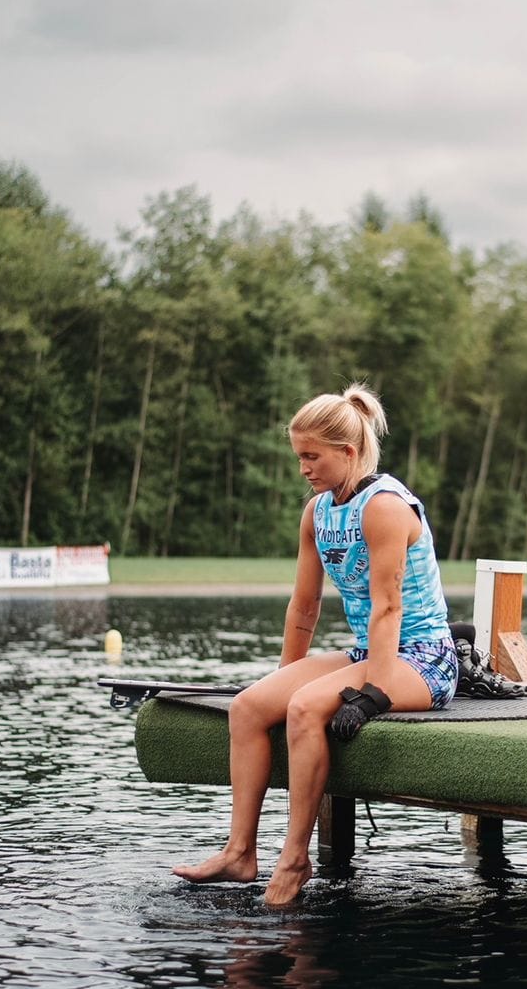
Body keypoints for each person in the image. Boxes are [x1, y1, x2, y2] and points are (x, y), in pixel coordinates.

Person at [173, 384, 458, 904]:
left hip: (423, 659)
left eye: (311, 456)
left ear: (347, 453)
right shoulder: (317, 514)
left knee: (307, 708)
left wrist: (374, 692)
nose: (303, 468)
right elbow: (304, 608)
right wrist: (279, 681)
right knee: (248, 707)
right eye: (298, 456)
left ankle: (294, 860)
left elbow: (388, 608)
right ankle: (240, 853)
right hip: (371, 649)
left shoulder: (386, 507)